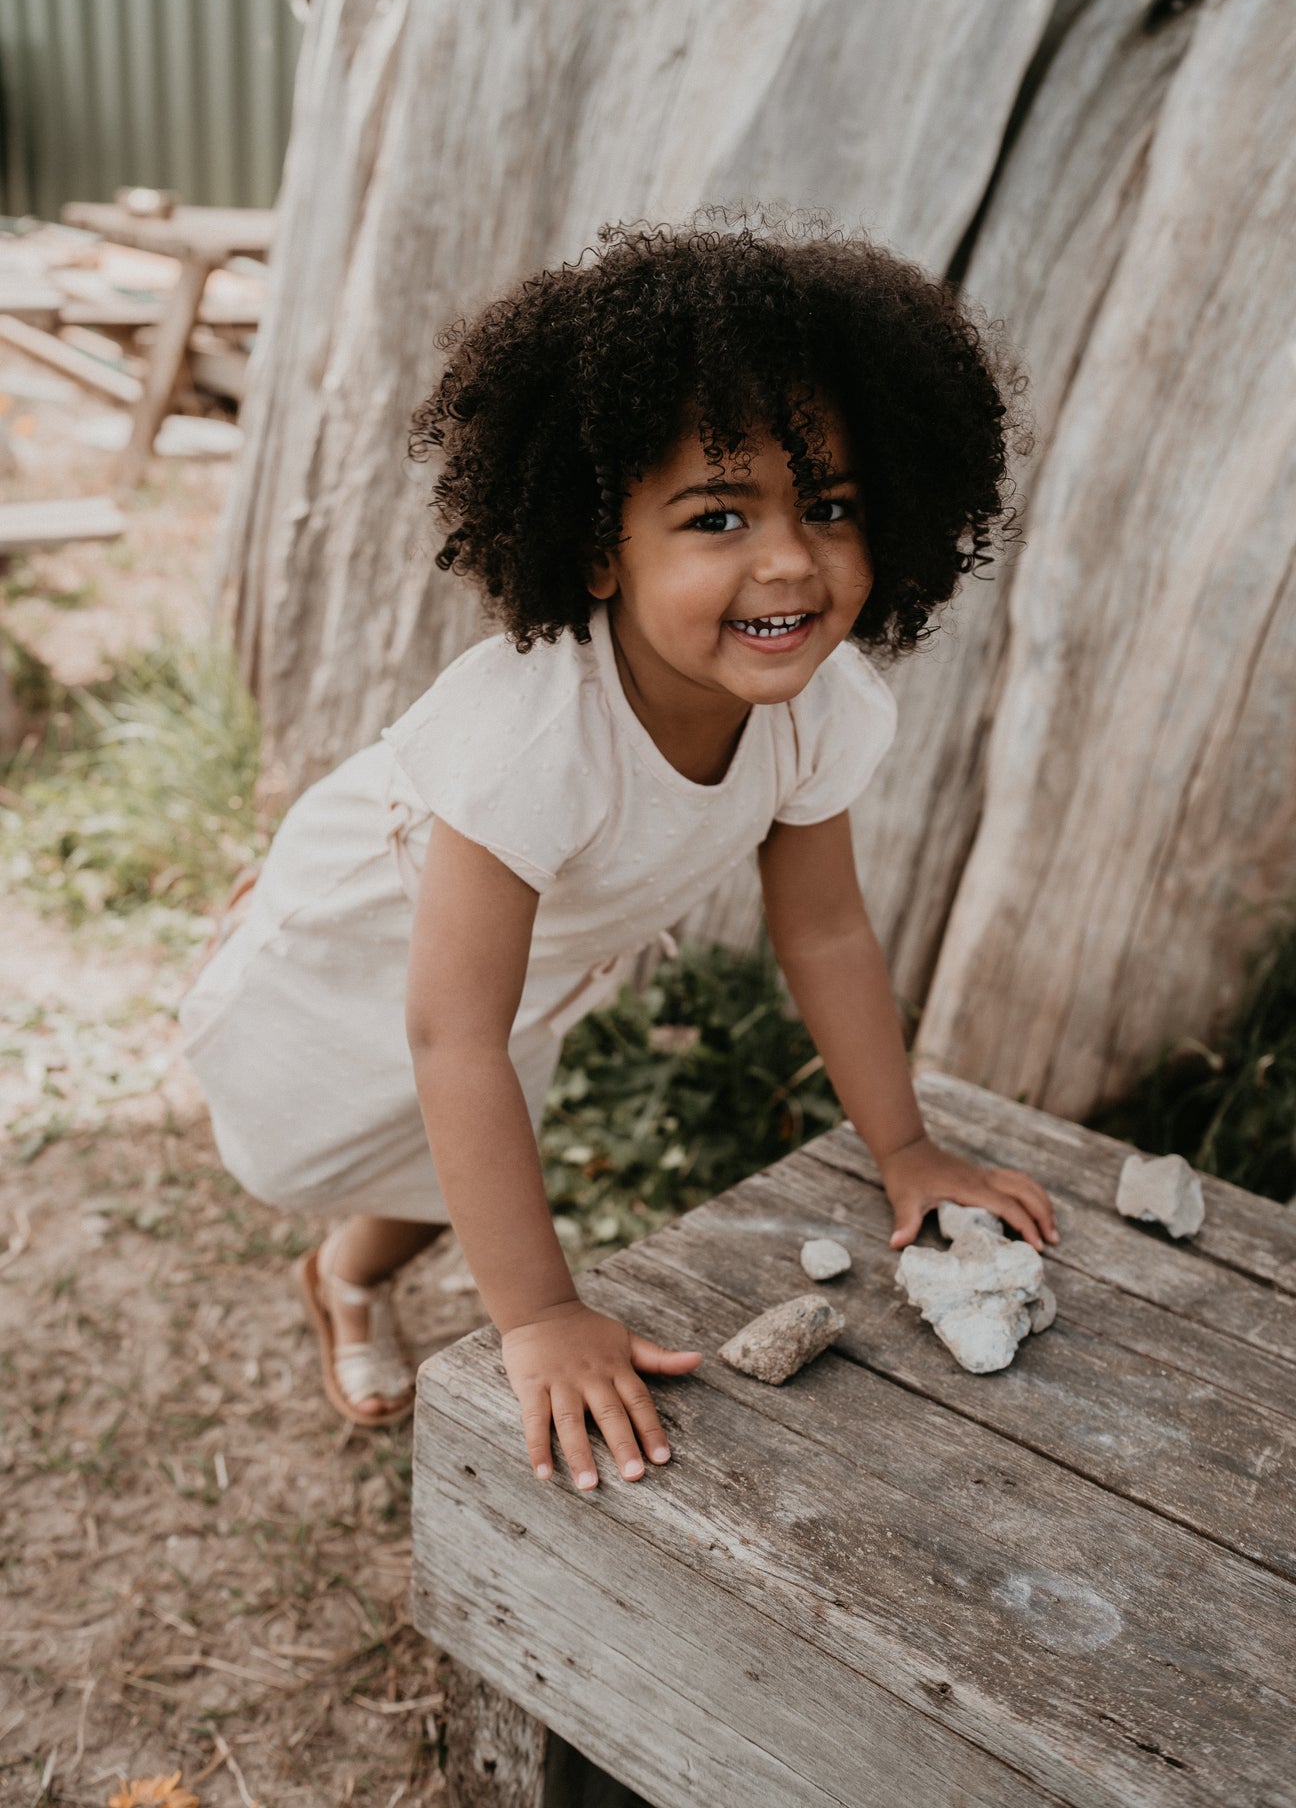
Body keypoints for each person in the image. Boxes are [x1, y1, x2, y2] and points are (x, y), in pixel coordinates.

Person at [179, 214, 1058, 1485]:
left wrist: (906, 1148)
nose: (789, 560)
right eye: (717, 516)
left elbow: (824, 930)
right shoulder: (534, 735)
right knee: (386, 1131)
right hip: (357, 953)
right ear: (600, 544)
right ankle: (322, 1168)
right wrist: (540, 1317)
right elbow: (448, 1037)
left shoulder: (821, 710)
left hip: (516, 983)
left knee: (454, 1169)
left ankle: (342, 1281)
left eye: (830, 505)